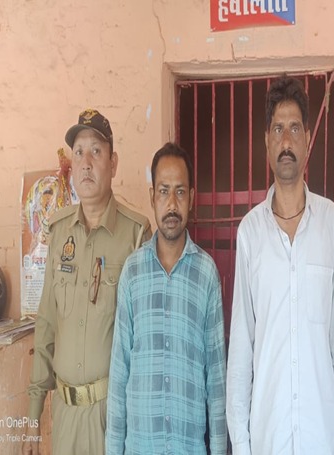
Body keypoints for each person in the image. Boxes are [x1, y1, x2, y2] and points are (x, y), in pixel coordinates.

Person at [226, 76, 334, 455]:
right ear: (267, 142)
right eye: (277, 129)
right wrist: (241, 443)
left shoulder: (331, 223)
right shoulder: (250, 232)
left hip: (322, 437)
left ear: (307, 140)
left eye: (295, 128)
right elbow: (241, 348)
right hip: (267, 437)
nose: (286, 140)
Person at [24, 109, 151, 455]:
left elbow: (144, 341)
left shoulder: (136, 234)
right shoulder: (58, 231)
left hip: (113, 416)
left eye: (96, 151)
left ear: (113, 163)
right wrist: (34, 415)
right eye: (78, 152)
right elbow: (46, 324)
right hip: (65, 416)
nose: (86, 163)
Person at [106, 143, 227, 454]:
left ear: (192, 198)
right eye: (163, 191)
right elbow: (119, 374)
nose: (172, 204)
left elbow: (216, 378)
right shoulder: (133, 272)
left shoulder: (206, 273)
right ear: (152, 197)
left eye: (180, 192)